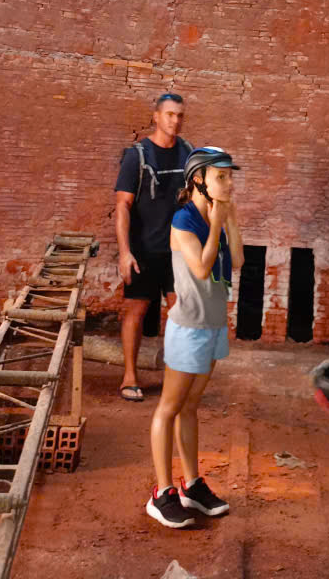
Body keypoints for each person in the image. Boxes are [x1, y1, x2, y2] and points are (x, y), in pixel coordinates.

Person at [146, 147, 243, 528]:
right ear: (199, 179)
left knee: (190, 408)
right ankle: (162, 492)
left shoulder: (220, 211)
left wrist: (229, 220)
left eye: (230, 176)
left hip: (214, 324)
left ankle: (192, 484)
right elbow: (202, 269)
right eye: (222, 176)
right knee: (169, 408)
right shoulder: (182, 221)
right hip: (188, 327)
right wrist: (218, 223)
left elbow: (237, 261)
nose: (229, 182)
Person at [114, 92, 192, 401]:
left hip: (178, 252)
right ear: (157, 116)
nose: (175, 120)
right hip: (144, 250)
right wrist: (124, 252)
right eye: (170, 114)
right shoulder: (137, 155)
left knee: (180, 313)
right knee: (136, 309)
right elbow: (122, 206)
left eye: (180, 115)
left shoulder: (188, 152)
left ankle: (175, 379)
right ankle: (129, 376)